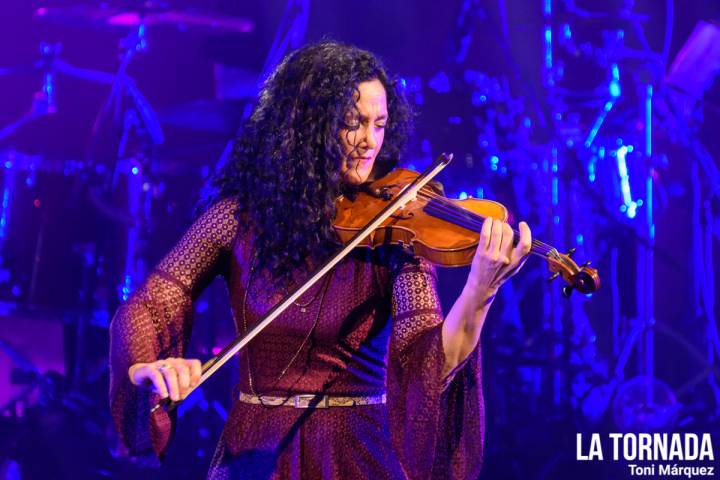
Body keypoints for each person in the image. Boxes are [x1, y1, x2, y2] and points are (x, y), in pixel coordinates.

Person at [109, 40, 532, 479]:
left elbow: (424, 363)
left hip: (360, 454)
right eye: (354, 124)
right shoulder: (238, 218)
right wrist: (144, 364)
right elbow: (151, 303)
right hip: (255, 457)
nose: (371, 141)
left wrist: (481, 290)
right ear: (309, 127)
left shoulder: (394, 233)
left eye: (380, 124)